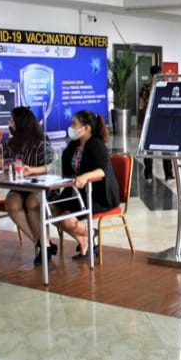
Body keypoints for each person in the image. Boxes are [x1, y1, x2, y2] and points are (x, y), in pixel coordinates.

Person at [52, 110, 120, 259]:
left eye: (74, 124)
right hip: (77, 193)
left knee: (65, 218)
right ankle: (84, 241)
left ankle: (91, 233)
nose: (71, 127)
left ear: (86, 128)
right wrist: (34, 170)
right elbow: (60, 166)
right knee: (50, 211)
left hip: (98, 196)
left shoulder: (96, 145)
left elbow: (102, 171)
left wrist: (85, 176)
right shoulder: (74, 145)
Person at [1, 107, 55, 265]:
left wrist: (32, 170)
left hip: (40, 186)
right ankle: (41, 242)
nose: (10, 125)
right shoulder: (12, 143)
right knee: (12, 203)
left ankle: (45, 245)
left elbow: (53, 165)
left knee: (33, 202)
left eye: (12, 122)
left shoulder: (41, 142)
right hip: (20, 186)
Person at [140, 65, 174, 182]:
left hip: (150, 120)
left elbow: (141, 105)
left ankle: (148, 174)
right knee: (166, 148)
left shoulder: (145, 88)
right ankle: (168, 174)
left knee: (149, 147)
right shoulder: (166, 87)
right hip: (163, 120)